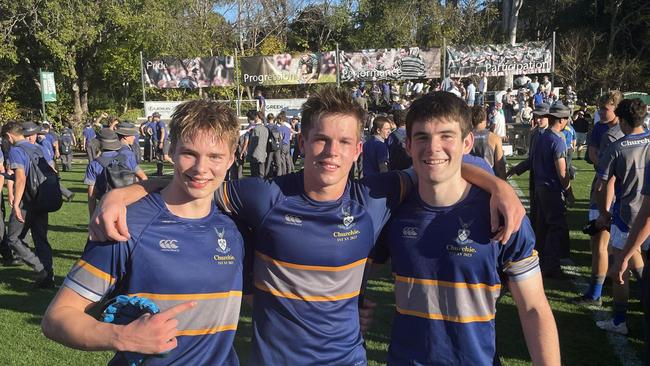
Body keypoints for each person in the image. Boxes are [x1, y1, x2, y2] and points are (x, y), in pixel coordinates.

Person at [90, 87, 525, 366]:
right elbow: (199, 182)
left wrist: (497, 186)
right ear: (301, 143)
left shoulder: (376, 196)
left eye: (342, 143)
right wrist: (124, 193)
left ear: (359, 149)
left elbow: (438, 168)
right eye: (319, 139)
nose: (329, 152)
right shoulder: (265, 195)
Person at [41, 100, 247, 365]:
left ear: (231, 158)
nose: (201, 168)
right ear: (171, 150)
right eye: (189, 153)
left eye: (215, 156)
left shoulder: (236, 225)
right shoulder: (128, 224)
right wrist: (122, 337)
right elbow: (57, 317)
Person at [372, 91, 560, 366]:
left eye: (446, 136)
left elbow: (533, 309)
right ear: (408, 145)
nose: (433, 147)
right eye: (422, 137)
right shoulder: (391, 211)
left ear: (467, 142)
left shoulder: (504, 215)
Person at [593, 98, 648, 334]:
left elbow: (604, 185)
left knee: (621, 269)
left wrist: (604, 213)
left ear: (623, 120)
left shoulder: (618, 147)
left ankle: (619, 320)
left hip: (627, 216)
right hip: (648, 217)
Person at [576, 91, 625, 306]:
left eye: (605, 108)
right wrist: (602, 165)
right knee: (597, 244)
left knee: (607, 245)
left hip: (613, 191)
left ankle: (596, 293)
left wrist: (608, 169)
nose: (601, 112)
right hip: (600, 187)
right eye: (599, 108)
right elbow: (593, 152)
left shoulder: (622, 131)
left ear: (616, 109)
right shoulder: (599, 128)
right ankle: (597, 288)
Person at [3, 121, 55, 287]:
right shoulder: (36, 147)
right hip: (42, 198)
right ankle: (47, 279)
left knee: (13, 238)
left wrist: (16, 204)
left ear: (9, 135)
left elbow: (21, 178)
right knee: (41, 239)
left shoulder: (16, 150)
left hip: (27, 201)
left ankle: (40, 270)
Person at [532, 102, 572, 277]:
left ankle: (542, 261)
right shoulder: (557, 140)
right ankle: (552, 265)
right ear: (562, 120)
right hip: (551, 188)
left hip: (540, 187)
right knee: (556, 226)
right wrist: (569, 191)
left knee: (544, 226)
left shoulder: (542, 137)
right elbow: (562, 171)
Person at [84, 127, 147, 216]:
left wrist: (92, 216)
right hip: (128, 205)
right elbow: (144, 178)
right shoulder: (126, 157)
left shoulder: (94, 165)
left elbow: (91, 195)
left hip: (106, 208)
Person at [470, 106, 506, 178]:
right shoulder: (495, 138)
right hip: (490, 180)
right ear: (485, 119)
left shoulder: (465, 137)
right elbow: (500, 166)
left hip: (470, 180)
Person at [246, 110, 268, 178]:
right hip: (263, 154)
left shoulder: (255, 129)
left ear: (257, 117)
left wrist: (249, 154)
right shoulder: (265, 129)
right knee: (261, 174)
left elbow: (252, 144)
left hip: (255, 155)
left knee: (254, 175)